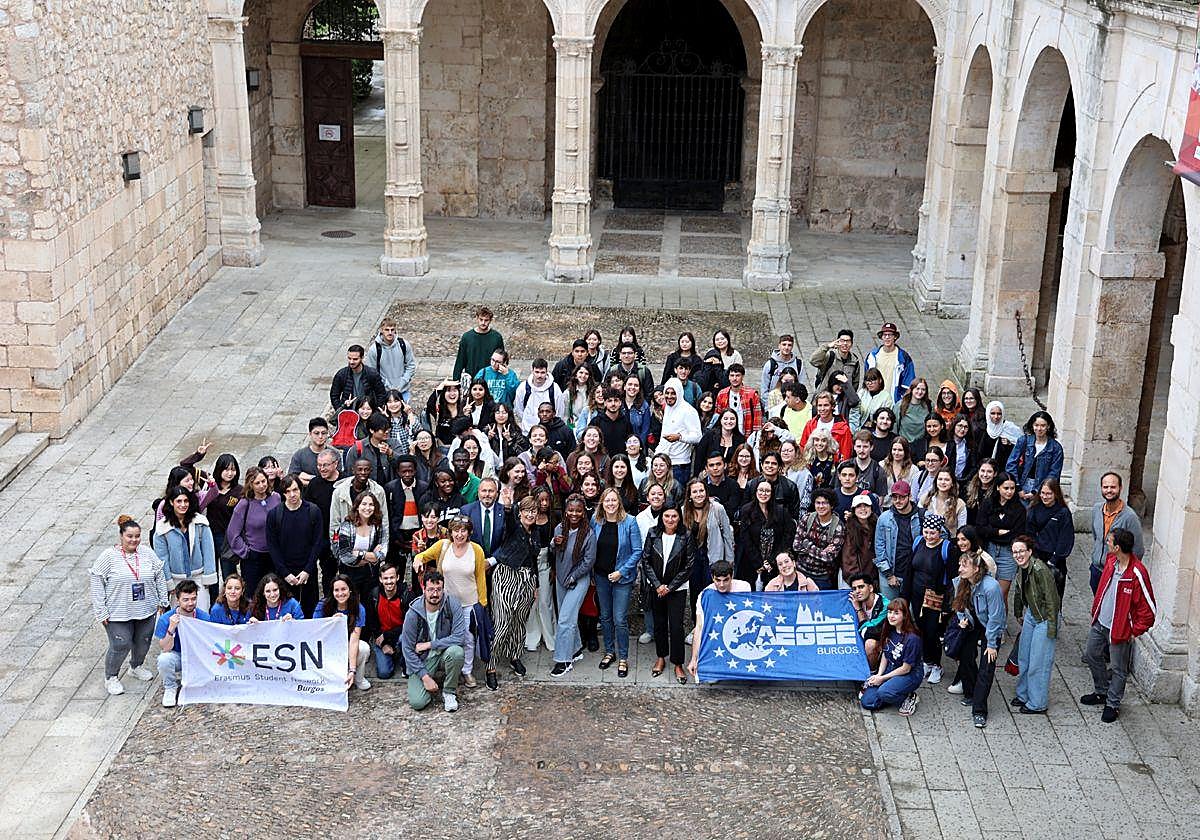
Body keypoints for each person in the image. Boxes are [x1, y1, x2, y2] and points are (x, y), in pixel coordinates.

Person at [1082, 527, 1157, 723]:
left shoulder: (1137, 573)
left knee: (1118, 669)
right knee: (1091, 654)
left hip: (1120, 631)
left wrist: (1133, 631)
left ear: (1117, 547)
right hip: (1100, 622)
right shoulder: (1111, 561)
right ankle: (1102, 691)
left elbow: (1149, 611)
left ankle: (1113, 704)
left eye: (1109, 541)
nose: (1106, 543)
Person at [91, 516, 170, 696]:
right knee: (121, 643)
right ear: (121, 536)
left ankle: (136, 666)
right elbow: (96, 580)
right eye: (130, 536)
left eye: (137, 536)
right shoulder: (108, 556)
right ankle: (111, 676)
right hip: (118, 611)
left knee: (143, 641)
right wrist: (101, 610)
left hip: (146, 608)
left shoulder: (147, 553)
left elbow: (159, 574)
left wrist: (163, 599)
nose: (134, 540)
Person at [412, 515, 488, 686]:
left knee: (468, 638)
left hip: (469, 602)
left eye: (463, 531)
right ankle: (450, 669)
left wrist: (482, 603)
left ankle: (467, 671)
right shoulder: (443, 545)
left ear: (469, 532)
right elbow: (423, 555)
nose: (459, 534)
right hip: (446, 603)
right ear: (451, 532)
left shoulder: (476, 550)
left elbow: (480, 577)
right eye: (456, 530)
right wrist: (418, 560)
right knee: (445, 636)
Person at [949, 547, 1005, 728]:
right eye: (960, 565)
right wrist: (962, 620)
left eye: (964, 566)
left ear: (976, 569)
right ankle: (971, 693)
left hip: (989, 625)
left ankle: (979, 710)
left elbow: (995, 617)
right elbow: (958, 605)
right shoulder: (960, 582)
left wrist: (992, 644)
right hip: (973, 622)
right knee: (966, 657)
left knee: (987, 666)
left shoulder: (991, 587)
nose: (960, 569)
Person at [591, 488, 643, 677]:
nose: (610, 504)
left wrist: (621, 572)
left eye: (614, 500)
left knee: (619, 618)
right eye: (607, 501)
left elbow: (637, 551)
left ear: (619, 502)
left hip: (622, 578)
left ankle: (623, 657)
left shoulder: (630, 522)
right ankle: (609, 651)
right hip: (601, 576)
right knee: (605, 616)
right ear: (602, 503)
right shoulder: (596, 520)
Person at [489, 497, 542, 677]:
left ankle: (514, 656)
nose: (530, 514)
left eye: (533, 511)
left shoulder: (536, 532)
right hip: (506, 576)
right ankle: (491, 665)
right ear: (520, 513)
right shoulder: (513, 527)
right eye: (526, 510)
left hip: (527, 579)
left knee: (519, 621)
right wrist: (508, 507)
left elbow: (534, 560)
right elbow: (509, 520)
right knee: (503, 622)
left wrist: (535, 585)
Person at [401, 569, 467, 712]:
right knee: (418, 703)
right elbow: (407, 649)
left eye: (438, 589)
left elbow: (459, 637)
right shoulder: (413, 613)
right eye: (431, 589)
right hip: (423, 659)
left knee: (457, 652)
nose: (435, 594)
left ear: (443, 589)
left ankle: (449, 691)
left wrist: (430, 644)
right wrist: (425, 677)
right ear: (423, 589)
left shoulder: (452, 604)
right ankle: (430, 682)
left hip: (444, 653)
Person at [641, 504, 693, 684]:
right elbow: (645, 560)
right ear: (661, 517)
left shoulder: (686, 535)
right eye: (667, 516)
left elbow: (689, 565)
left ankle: (678, 663)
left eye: (674, 516)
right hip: (657, 587)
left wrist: (669, 587)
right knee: (660, 624)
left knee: (677, 626)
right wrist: (657, 585)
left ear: (679, 518)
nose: (670, 520)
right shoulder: (653, 533)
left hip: (676, 589)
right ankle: (661, 657)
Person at [1011, 535, 1059, 715]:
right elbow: (1019, 591)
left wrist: (1052, 629)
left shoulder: (1040, 570)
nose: (1018, 555)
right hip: (1032, 613)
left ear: (1030, 551)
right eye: (1015, 552)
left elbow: (1052, 600)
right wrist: (1018, 612)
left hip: (1045, 618)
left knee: (1039, 662)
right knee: (1024, 657)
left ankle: (1038, 703)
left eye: (1021, 551)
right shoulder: (1021, 568)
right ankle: (1024, 694)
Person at [550, 495, 596, 676]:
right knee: (567, 618)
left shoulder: (589, 534)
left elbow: (589, 561)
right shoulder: (559, 529)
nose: (574, 514)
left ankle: (563, 660)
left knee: (565, 620)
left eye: (578, 511)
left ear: (583, 512)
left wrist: (574, 576)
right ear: (566, 511)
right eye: (570, 510)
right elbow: (554, 552)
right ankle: (576, 649)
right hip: (561, 578)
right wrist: (554, 543)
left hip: (578, 579)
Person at [682, 479, 734, 637]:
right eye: (695, 491)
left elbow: (727, 535)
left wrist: (729, 561)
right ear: (690, 495)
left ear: (706, 492)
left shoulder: (717, 508)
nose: (698, 494)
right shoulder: (684, 510)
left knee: (713, 591)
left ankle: (714, 627)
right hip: (693, 559)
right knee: (695, 594)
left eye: (701, 490)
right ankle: (697, 627)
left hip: (713, 557)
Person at [266, 474, 324, 616]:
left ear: (300, 490)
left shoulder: (313, 511)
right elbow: (273, 546)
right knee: (285, 613)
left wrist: (307, 570)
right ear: (283, 493)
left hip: (308, 572)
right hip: (284, 573)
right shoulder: (274, 515)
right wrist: (285, 573)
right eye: (288, 491)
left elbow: (317, 543)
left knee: (310, 611)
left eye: (295, 490)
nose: (292, 494)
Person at [908, 514, 955, 685]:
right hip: (917, 594)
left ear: (939, 532)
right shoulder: (918, 542)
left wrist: (947, 604)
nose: (928, 536)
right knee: (921, 628)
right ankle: (927, 661)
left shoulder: (946, 548)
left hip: (936, 596)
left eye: (932, 533)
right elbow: (910, 569)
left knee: (933, 631)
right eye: (926, 532)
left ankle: (936, 665)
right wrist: (905, 594)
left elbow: (951, 576)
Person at [153, 486, 217, 610]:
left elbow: (208, 551)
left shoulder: (200, 522)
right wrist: (169, 582)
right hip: (176, 578)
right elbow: (162, 558)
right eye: (179, 501)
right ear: (171, 502)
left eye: (186, 501)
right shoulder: (162, 528)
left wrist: (208, 577)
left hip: (198, 576)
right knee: (180, 615)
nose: (183, 505)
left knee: (202, 611)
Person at [686, 559, 750, 679]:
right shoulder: (705, 595)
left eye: (726, 580)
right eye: (718, 580)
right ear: (712, 577)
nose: (721, 584)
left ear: (732, 576)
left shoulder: (744, 587)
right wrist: (694, 659)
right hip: (717, 632)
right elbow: (699, 627)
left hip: (739, 629)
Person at [859, 598, 924, 716]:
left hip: (909, 674)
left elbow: (906, 668)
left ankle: (909, 697)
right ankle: (890, 692)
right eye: (889, 612)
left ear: (905, 616)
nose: (891, 616)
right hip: (891, 668)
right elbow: (886, 654)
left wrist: (883, 679)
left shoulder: (912, 639)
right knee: (867, 702)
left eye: (896, 613)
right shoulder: (890, 629)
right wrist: (879, 675)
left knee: (884, 692)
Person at [153, 580, 210, 708]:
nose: (190, 603)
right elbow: (165, 648)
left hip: (198, 656)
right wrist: (171, 628)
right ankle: (170, 687)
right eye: (185, 600)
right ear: (177, 600)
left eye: (193, 599)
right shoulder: (166, 619)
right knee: (164, 659)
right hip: (177, 655)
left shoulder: (204, 617)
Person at [313, 573, 371, 691]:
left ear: (350, 590)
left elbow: (354, 641)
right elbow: (315, 631)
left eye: (344, 589)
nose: (340, 593)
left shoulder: (358, 608)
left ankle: (358, 678)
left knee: (364, 648)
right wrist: (331, 623)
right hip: (327, 646)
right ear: (332, 592)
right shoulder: (323, 605)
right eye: (336, 590)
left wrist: (352, 670)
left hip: (347, 644)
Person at [1089, 471, 1144, 594]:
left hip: (1115, 574)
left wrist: (1124, 571)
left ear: (1120, 488)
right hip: (1096, 570)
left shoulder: (1130, 517)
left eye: (1113, 487)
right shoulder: (1096, 509)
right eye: (1105, 487)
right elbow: (1096, 537)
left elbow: (1138, 550)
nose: (1109, 490)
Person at [736, 480, 796, 587]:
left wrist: (772, 561)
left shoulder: (781, 511)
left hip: (775, 562)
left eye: (767, 491)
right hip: (751, 561)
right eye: (761, 490)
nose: (763, 494)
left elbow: (788, 536)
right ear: (756, 491)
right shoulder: (746, 510)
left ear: (772, 493)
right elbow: (745, 538)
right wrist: (759, 563)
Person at [977, 472, 1026, 603]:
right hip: (989, 549)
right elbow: (980, 528)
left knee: (1001, 594)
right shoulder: (988, 504)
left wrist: (991, 531)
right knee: (985, 592)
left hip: (1008, 552)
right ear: (998, 487)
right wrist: (998, 532)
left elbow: (1016, 534)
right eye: (1006, 488)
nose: (1009, 492)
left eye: (1012, 488)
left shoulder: (1019, 509)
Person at [332, 490, 388, 600]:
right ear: (357, 506)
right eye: (364, 504)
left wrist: (359, 553)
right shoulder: (346, 526)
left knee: (370, 605)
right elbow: (345, 556)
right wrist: (371, 557)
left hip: (371, 574)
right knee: (351, 604)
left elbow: (382, 553)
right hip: (349, 574)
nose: (367, 508)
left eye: (371, 504)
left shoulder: (378, 526)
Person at [874, 480, 921, 601]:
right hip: (890, 573)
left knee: (912, 611)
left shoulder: (922, 516)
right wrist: (889, 575)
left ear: (909, 496)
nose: (898, 501)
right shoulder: (884, 518)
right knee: (889, 608)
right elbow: (879, 547)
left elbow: (942, 534)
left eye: (902, 497)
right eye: (894, 497)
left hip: (914, 574)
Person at [1027, 478, 1074, 597]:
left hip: (1055, 560)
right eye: (1042, 493)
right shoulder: (1034, 508)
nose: (1045, 496)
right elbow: (1029, 533)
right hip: (1037, 556)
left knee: (1053, 598)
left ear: (1056, 494)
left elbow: (1065, 539)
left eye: (1049, 494)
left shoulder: (1063, 512)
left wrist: (1053, 560)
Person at [303, 449, 340, 596]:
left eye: (325, 465)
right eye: (319, 465)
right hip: (322, 537)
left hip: (341, 535)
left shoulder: (345, 482)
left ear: (335, 464)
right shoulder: (314, 484)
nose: (322, 469)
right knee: (327, 574)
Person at [1006, 411, 1065, 503]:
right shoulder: (1024, 440)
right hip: (1021, 483)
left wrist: (1037, 491)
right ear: (1032, 426)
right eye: (1036, 425)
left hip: (1043, 489)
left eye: (1043, 425)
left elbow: (1054, 474)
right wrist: (1017, 487)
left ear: (1048, 426)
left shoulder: (1056, 448)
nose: (1039, 429)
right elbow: (1011, 464)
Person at [793, 488, 844, 590]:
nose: (821, 506)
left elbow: (829, 557)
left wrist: (806, 544)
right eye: (818, 503)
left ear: (832, 505)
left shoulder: (838, 526)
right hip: (801, 572)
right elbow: (796, 546)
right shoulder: (807, 518)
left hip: (823, 577)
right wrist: (822, 551)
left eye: (825, 503)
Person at [364, 562, 408, 680]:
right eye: (386, 578)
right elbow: (371, 622)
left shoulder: (406, 595)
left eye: (392, 577)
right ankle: (392, 655)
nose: (389, 581)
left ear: (397, 577)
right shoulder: (374, 595)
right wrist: (383, 644)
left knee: (403, 639)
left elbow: (409, 625)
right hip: (381, 637)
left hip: (401, 635)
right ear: (380, 579)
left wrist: (387, 634)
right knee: (384, 673)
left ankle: (403, 659)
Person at [657, 378, 702, 488]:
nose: (669, 396)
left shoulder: (688, 411)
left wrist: (679, 437)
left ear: (679, 393)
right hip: (664, 462)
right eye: (667, 393)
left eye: (673, 393)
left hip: (679, 465)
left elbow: (698, 437)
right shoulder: (668, 408)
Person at [330, 459, 387, 539]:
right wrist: (335, 543)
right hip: (346, 539)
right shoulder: (339, 492)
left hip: (371, 538)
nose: (363, 472)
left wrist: (383, 544)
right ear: (353, 470)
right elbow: (334, 522)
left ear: (371, 471)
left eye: (366, 470)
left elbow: (384, 520)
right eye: (359, 469)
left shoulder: (378, 491)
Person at [863, 322, 916, 402]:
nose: (887, 337)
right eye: (885, 335)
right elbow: (867, 378)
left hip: (894, 400)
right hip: (874, 399)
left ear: (895, 337)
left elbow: (909, 382)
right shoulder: (872, 357)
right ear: (881, 337)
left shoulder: (904, 358)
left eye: (890, 335)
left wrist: (901, 400)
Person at [453, 305, 504, 387]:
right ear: (477, 318)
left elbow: (501, 360)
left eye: (486, 320)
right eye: (481, 319)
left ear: (490, 320)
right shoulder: (467, 337)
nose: (483, 323)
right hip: (472, 380)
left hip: (490, 380)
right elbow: (460, 361)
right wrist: (456, 382)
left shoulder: (497, 337)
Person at [367, 316, 417, 399]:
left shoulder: (403, 345)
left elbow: (411, 365)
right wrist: (386, 384)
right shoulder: (374, 350)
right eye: (387, 330)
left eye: (392, 330)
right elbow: (372, 373)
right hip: (384, 392)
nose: (390, 333)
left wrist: (403, 381)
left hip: (403, 391)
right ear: (381, 330)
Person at [849, 573, 888, 670]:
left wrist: (858, 609)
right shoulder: (853, 601)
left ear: (870, 588)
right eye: (854, 589)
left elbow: (869, 632)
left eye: (861, 587)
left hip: (883, 642)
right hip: (864, 637)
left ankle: (872, 672)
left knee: (870, 644)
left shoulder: (885, 605)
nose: (857, 591)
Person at [330, 344, 386, 411]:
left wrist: (375, 410)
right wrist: (341, 410)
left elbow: (381, 394)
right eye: (349, 358)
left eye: (355, 359)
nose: (351, 362)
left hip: (367, 413)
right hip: (349, 412)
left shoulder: (372, 374)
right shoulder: (341, 374)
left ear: (362, 358)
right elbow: (334, 395)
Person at [799, 391, 853, 461]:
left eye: (826, 405)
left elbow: (846, 453)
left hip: (835, 465)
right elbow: (803, 447)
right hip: (812, 463)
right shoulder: (810, 425)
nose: (822, 409)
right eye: (820, 405)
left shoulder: (843, 428)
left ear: (832, 406)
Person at [714, 363, 763, 437]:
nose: (734, 378)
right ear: (728, 377)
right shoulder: (722, 394)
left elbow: (757, 419)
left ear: (742, 376)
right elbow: (717, 416)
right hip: (726, 435)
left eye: (737, 375)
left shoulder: (752, 394)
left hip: (746, 434)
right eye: (732, 375)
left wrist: (755, 438)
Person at [514, 359, 561, 431]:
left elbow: (559, 410)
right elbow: (518, 409)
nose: (539, 375)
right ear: (532, 371)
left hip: (549, 430)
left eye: (542, 372)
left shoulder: (555, 388)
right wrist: (528, 420)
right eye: (537, 372)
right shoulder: (523, 387)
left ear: (547, 372)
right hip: (528, 430)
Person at [842, 494, 878, 587]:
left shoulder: (877, 525)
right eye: (858, 506)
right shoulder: (849, 529)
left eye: (866, 506)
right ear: (854, 510)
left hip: (874, 577)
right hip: (856, 580)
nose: (863, 509)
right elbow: (849, 560)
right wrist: (859, 582)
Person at [811, 329, 861, 394]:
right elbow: (813, 361)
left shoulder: (854, 361)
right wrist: (827, 346)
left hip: (843, 398)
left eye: (848, 341)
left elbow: (855, 382)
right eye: (842, 341)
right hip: (825, 396)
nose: (845, 344)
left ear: (851, 344)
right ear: (837, 342)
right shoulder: (830, 356)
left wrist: (850, 395)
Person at [976, 400, 1020, 467]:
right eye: (993, 413)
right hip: (984, 469)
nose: (996, 417)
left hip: (1003, 469)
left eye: (999, 414)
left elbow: (1019, 446)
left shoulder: (1009, 428)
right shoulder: (982, 429)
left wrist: (1009, 444)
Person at [854, 368, 892, 433]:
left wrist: (874, 423)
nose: (869, 383)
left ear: (880, 380)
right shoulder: (862, 393)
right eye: (867, 380)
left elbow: (887, 417)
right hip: (860, 429)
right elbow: (855, 413)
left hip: (878, 430)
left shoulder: (886, 396)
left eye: (873, 380)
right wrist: (855, 430)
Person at [895, 378, 932, 443]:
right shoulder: (900, 405)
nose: (920, 392)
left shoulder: (929, 406)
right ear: (912, 389)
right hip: (904, 444)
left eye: (923, 389)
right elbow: (894, 426)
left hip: (922, 444)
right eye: (917, 389)